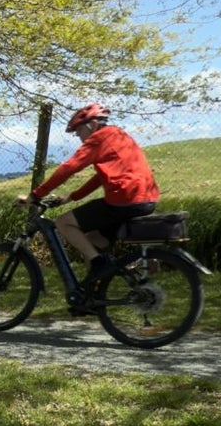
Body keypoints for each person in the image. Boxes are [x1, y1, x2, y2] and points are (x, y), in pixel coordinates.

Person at [27, 102, 159, 289]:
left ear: (90, 125)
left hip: (124, 200)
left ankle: (99, 264)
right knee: (91, 241)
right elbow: (101, 177)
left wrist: (35, 195)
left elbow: (68, 168)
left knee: (64, 223)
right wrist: (72, 197)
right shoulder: (119, 135)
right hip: (146, 199)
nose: (78, 136)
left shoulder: (98, 139)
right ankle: (92, 295)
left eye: (78, 131)